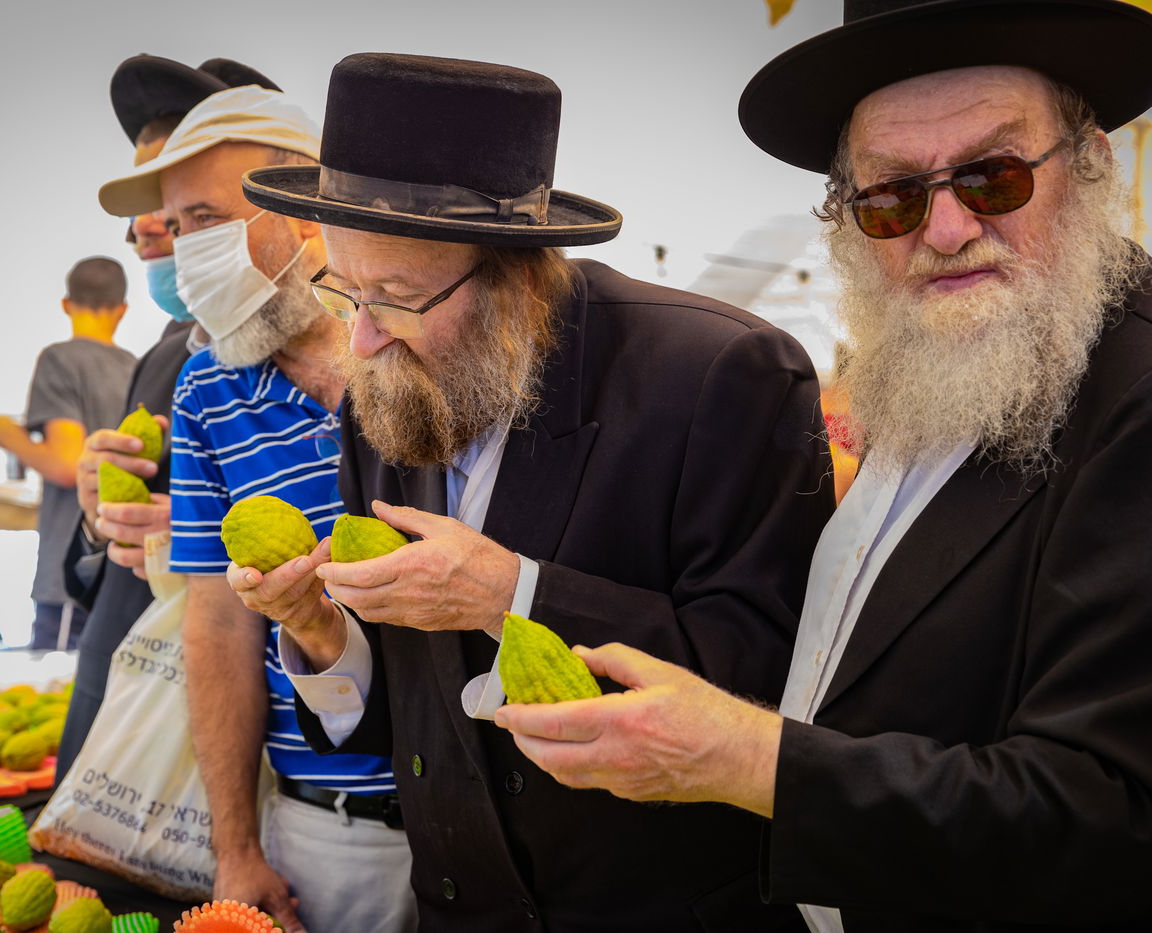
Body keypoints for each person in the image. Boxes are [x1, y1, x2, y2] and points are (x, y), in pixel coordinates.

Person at [496, 2, 1152, 930]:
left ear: (1089, 166)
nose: (948, 229)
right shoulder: (943, 365)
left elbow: (1108, 821)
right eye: (892, 196)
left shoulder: (1133, 395)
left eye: (994, 177)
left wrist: (744, 759)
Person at [231, 52, 834, 931]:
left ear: (516, 278)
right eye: (345, 290)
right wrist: (321, 630)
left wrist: (511, 594)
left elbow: (770, 677)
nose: (360, 341)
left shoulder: (718, 374)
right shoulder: (383, 397)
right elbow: (414, 720)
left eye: (394, 296)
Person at [97, 80, 414, 933]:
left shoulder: (424, 349)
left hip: (486, 806)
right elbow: (218, 623)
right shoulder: (206, 388)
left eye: (203, 219)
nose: (180, 249)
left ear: (308, 207)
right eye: (171, 228)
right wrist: (237, 844)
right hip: (323, 826)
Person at [55, 53, 281, 784]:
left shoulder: (340, 363)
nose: (145, 227)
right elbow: (103, 566)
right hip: (120, 705)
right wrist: (98, 516)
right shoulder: (160, 355)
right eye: (154, 202)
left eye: (190, 209)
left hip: (218, 748)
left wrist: (198, 544)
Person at [0, 256, 136, 650]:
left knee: (57, 697)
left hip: (71, 573)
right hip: (125, 570)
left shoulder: (60, 359)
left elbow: (66, 465)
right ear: (122, 310)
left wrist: (10, 438)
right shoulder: (138, 369)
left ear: (66, 304)